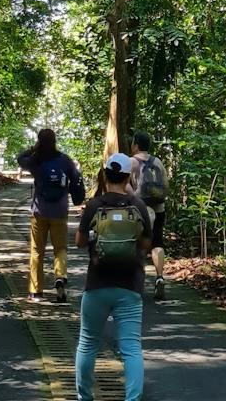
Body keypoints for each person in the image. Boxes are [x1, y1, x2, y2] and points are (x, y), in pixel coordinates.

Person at [74, 152, 152, 401]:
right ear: (128, 176)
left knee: (87, 345)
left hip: (96, 284)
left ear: (105, 174)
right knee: (131, 349)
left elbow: (79, 241)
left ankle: (85, 397)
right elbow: (146, 245)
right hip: (130, 286)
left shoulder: (95, 205)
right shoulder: (138, 206)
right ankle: (132, 398)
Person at [17, 127, 86, 302]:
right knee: (60, 248)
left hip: (39, 212)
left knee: (36, 251)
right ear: (55, 141)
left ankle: (36, 291)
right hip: (60, 211)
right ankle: (60, 276)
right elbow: (76, 177)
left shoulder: (35, 161)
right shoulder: (64, 160)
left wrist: (34, 148)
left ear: (39, 141)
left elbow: (20, 159)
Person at [129, 131, 169, 300]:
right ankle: (159, 276)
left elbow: (125, 186)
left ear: (136, 145)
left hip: (140, 209)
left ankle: (138, 283)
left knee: (138, 245)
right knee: (157, 242)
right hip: (158, 208)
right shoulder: (157, 161)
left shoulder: (131, 162)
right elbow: (166, 186)